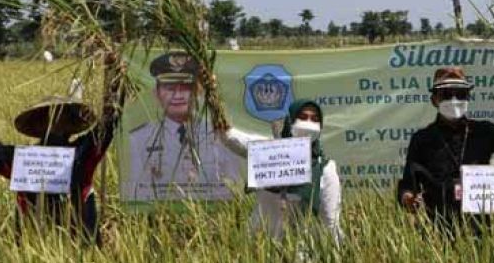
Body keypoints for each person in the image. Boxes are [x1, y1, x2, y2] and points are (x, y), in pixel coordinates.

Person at [0, 85, 119, 244]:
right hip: (34, 255)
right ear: (39, 125)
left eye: (61, 117)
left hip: (81, 252)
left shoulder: (82, 154)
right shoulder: (23, 160)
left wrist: (115, 83)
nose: (55, 123)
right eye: (50, 118)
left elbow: (107, 126)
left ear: (69, 124)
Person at [398, 67, 494, 232]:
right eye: (446, 94)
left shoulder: (485, 132)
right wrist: (408, 199)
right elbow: (407, 185)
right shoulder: (422, 139)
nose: (454, 100)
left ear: (468, 97)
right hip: (437, 233)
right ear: (434, 100)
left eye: (460, 94)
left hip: (480, 233)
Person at [220, 100, 343, 244]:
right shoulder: (270, 152)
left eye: (315, 119)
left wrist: (335, 253)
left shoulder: (325, 169)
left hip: (296, 251)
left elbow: (330, 222)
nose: (309, 124)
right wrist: (216, 111)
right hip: (258, 246)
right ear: (291, 121)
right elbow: (233, 140)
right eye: (303, 117)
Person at [125, 51, 241, 203]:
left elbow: (233, 188)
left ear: (198, 91)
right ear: (156, 93)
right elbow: (137, 194)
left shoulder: (221, 135)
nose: (178, 95)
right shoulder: (139, 139)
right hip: (161, 215)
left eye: (186, 87)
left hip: (211, 214)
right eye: (169, 87)